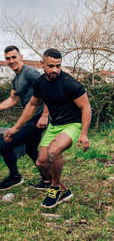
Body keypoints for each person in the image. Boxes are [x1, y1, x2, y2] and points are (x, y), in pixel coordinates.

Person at [4, 48, 91, 208]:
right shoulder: (40, 83)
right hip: (55, 125)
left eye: (58, 66)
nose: (55, 70)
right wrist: (15, 128)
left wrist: (84, 134)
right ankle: (64, 191)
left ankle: (55, 188)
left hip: (72, 124)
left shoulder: (69, 83)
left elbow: (86, 107)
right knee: (41, 162)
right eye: (51, 66)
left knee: (53, 151)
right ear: (42, 64)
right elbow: (32, 105)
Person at [0, 45, 49, 190]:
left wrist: (45, 115)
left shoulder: (29, 72)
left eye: (14, 57)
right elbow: (13, 99)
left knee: (5, 143)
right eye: (8, 58)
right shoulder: (16, 79)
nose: (11, 61)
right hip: (31, 118)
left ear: (20, 57)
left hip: (38, 118)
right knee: (31, 148)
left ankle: (15, 177)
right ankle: (47, 181)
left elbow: (46, 88)